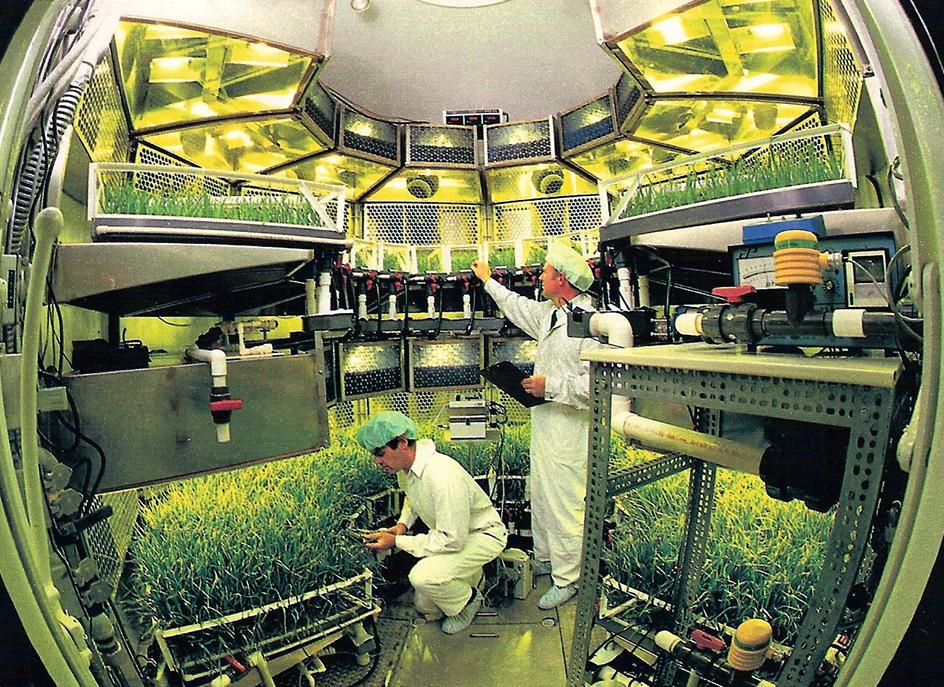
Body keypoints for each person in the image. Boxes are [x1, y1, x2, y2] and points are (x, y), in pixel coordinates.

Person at [471, 241, 598, 610]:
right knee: (541, 495)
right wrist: (488, 281)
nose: (539, 277)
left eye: (544, 271)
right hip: (546, 420)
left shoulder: (591, 324)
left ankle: (568, 578)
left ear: (561, 279)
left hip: (570, 429)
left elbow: (597, 385)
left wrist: (551, 387)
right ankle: (546, 558)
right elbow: (515, 305)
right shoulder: (551, 314)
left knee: (564, 504)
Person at [357, 410, 507, 634]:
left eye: (381, 452)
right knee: (425, 606)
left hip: (482, 536)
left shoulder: (441, 476)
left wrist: (397, 542)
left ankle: (470, 600)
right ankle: (474, 578)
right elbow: (412, 496)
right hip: (456, 535)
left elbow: (452, 540)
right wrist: (403, 525)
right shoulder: (407, 468)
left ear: (403, 442)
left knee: (422, 577)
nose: (377, 461)